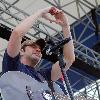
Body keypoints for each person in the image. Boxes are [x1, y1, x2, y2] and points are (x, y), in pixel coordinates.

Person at [1, 7, 75, 100]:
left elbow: (69, 59)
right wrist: (40, 13)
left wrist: (65, 27)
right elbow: (17, 33)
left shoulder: (43, 76)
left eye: (40, 49)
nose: (38, 50)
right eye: (33, 46)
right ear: (21, 51)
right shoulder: (13, 66)